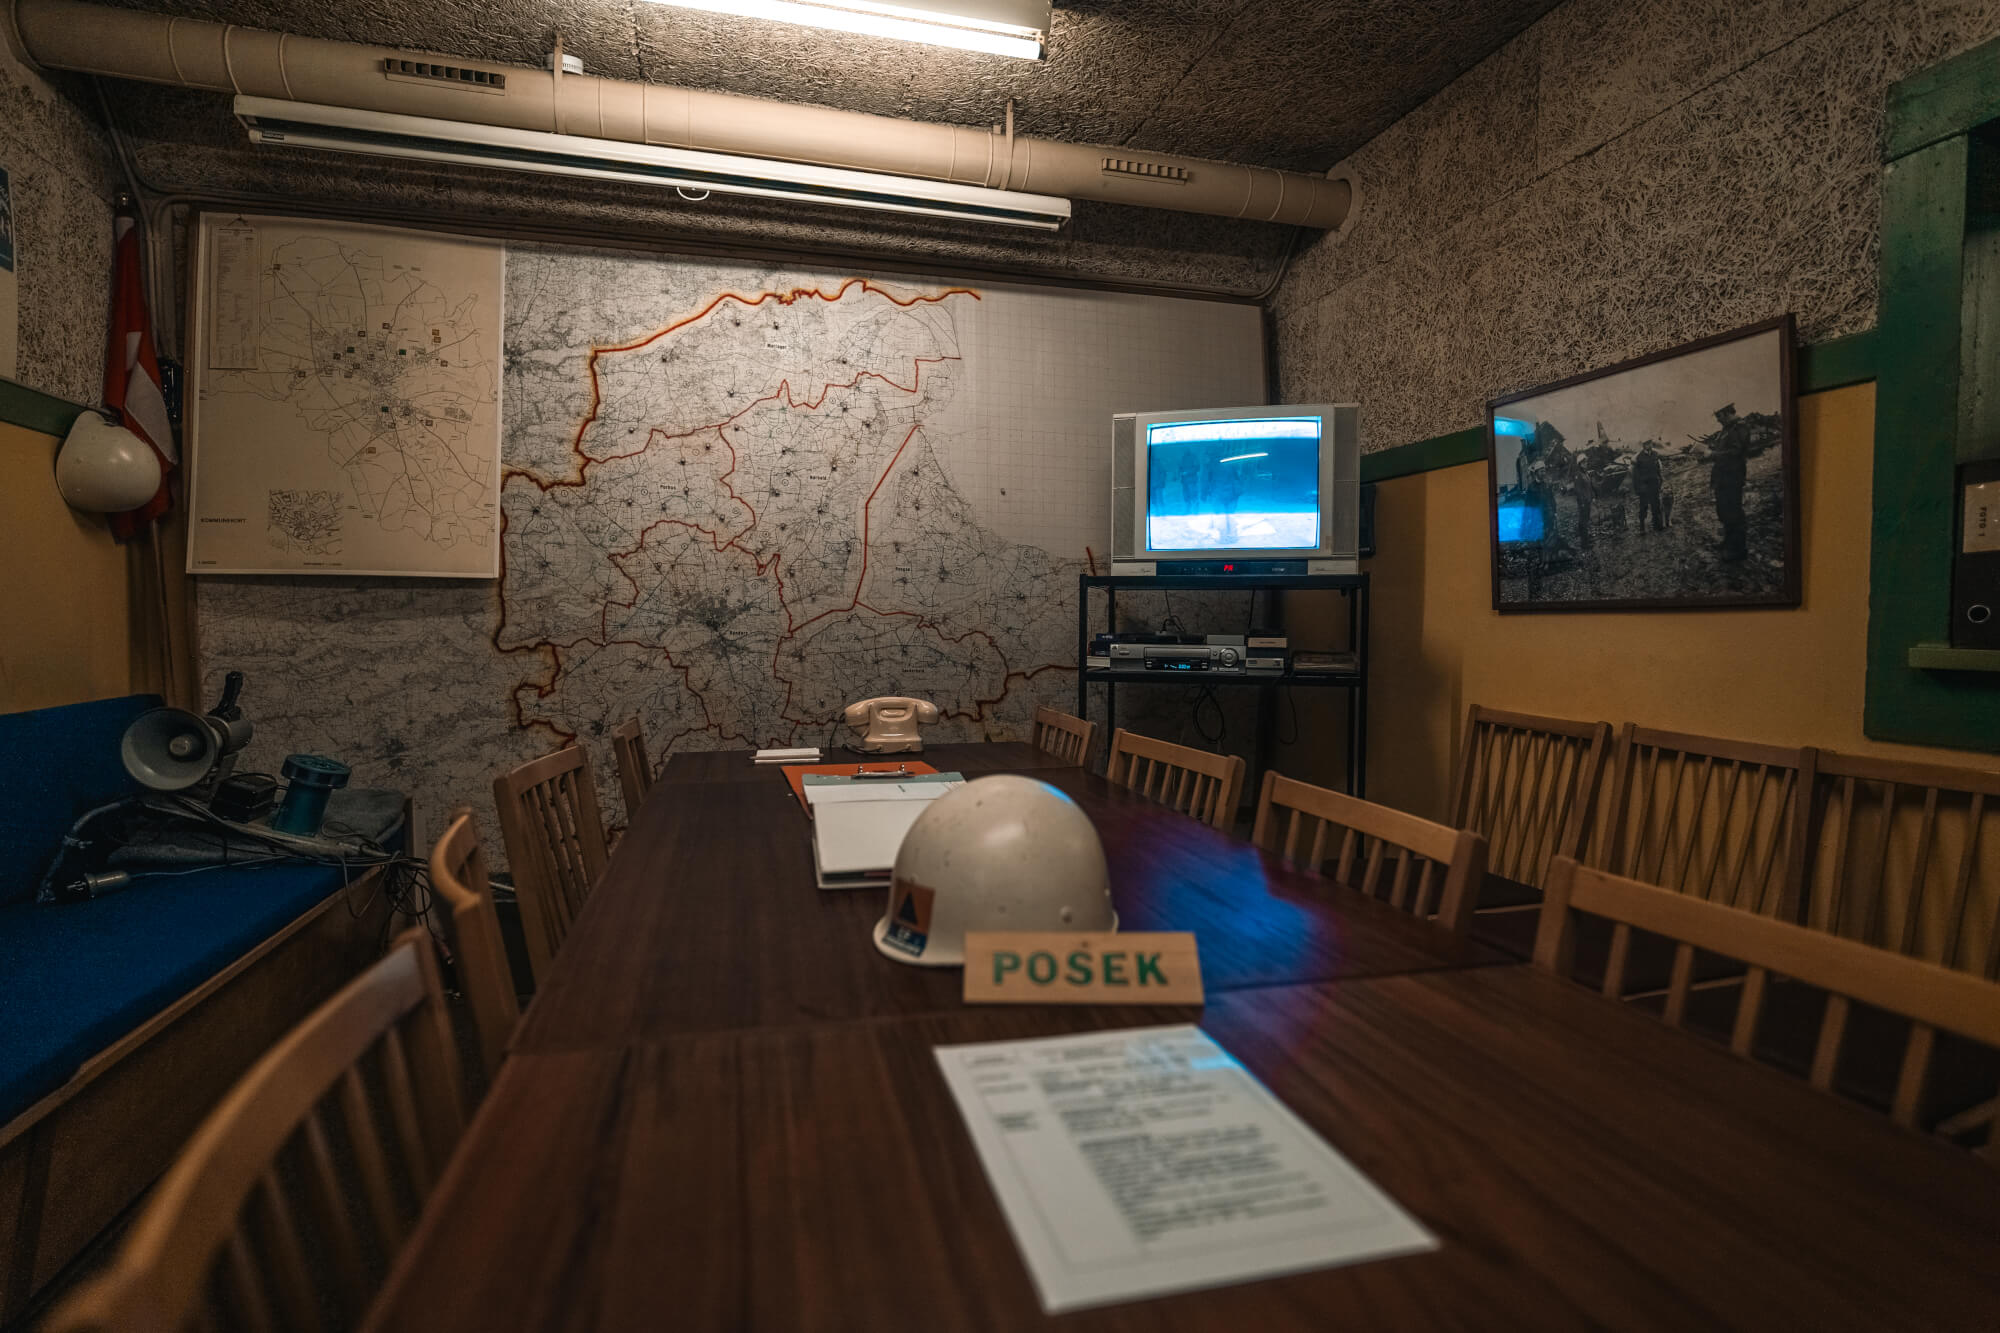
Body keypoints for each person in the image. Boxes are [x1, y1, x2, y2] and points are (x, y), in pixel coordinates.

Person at [1708, 404, 1751, 562]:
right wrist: (1708, 451)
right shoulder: (1727, 429)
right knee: (1724, 511)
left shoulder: (1740, 428)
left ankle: (1738, 550)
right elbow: (1723, 449)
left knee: (1734, 513)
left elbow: (1735, 452)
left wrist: (1712, 454)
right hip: (1722, 477)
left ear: (1727, 413)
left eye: (1719, 416)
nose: (1718, 420)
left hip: (1732, 477)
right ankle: (1728, 542)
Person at [1633, 441, 1667, 533]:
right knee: (1643, 506)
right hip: (1644, 486)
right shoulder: (1639, 458)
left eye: (1650, 443)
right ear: (1644, 445)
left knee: (1656, 505)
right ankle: (1642, 527)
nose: (1650, 445)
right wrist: (1638, 488)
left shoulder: (1655, 454)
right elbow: (1635, 475)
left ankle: (1657, 525)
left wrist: (1661, 480)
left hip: (1654, 484)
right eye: (1647, 444)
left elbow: (1658, 469)